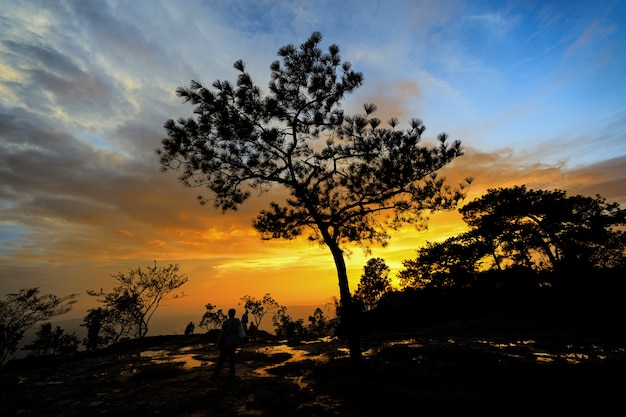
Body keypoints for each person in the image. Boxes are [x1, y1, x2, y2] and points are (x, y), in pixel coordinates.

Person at [210, 308, 244, 381]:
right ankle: (232, 375)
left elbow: (222, 334)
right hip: (233, 343)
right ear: (234, 314)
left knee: (221, 360)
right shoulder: (237, 321)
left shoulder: (225, 322)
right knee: (232, 359)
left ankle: (215, 375)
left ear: (228, 314)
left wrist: (217, 344)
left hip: (226, 343)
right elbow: (240, 332)